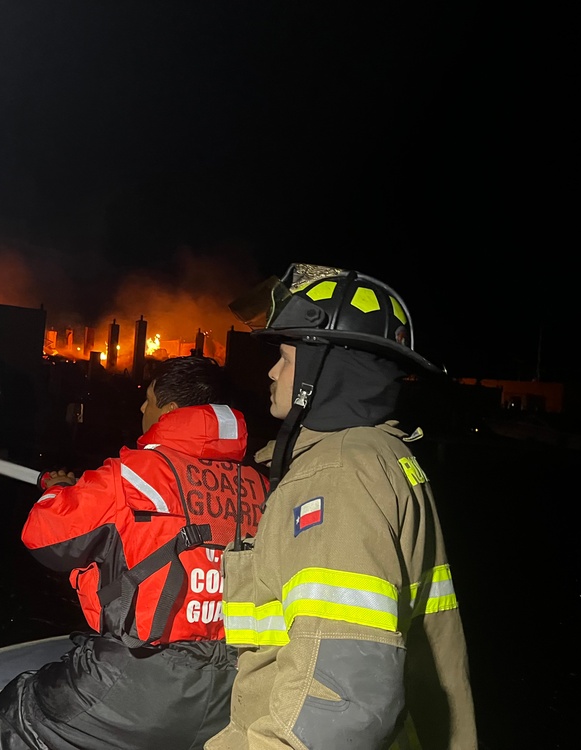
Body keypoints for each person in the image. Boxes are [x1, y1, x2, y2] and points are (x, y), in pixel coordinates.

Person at [208, 263, 477, 750]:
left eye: (286, 357)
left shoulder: (335, 479)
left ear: (321, 371)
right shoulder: (382, 452)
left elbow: (338, 706)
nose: (271, 370)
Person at [0, 355, 270, 750]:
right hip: (233, 687)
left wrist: (57, 489)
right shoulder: (259, 486)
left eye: (149, 399)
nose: (143, 407)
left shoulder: (134, 473)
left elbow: (45, 538)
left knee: (18, 711)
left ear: (172, 410)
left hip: (142, 681)